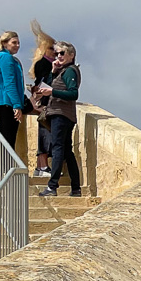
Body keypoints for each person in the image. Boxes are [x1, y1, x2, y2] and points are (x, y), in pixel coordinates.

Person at [37, 42, 81, 197]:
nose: (59, 56)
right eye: (56, 54)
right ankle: (76, 188)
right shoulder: (61, 71)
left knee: (57, 148)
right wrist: (53, 72)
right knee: (67, 151)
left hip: (62, 115)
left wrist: (52, 92)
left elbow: (73, 94)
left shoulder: (70, 71)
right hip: (60, 114)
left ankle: (52, 186)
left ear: (71, 55)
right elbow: (47, 87)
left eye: (62, 53)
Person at [28, 20, 56, 176]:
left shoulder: (47, 63)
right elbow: (44, 81)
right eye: (52, 48)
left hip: (46, 102)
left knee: (45, 133)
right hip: (45, 102)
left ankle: (41, 167)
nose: (55, 51)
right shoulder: (43, 64)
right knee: (45, 134)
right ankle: (43, 166)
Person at [0, 31, 25, 151]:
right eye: (14, 42)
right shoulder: (5, 57)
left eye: (18, 43)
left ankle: (5, 167)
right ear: (4, 43)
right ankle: (6, 168)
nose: (17, 45)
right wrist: (16, 104)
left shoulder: (4, 57)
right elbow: (9, 82)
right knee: (8, 140)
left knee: (6, 139)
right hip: (5, 102)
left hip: (3, 102)